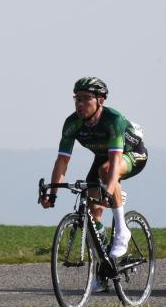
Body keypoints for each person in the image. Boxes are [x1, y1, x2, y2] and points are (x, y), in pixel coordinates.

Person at [40, 77, 148, 291]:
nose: (80, 104)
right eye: (77, 99)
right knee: (93, 211)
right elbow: (62, 160)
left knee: (107, 172)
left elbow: (115, 161)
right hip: (103, 156)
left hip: (130, 155)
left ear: (101, 100)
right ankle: (103, 266)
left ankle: (122, 232)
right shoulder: (72, 123)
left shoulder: (113, 120)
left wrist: (109, 190)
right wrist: (52, 193)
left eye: (86, 99)